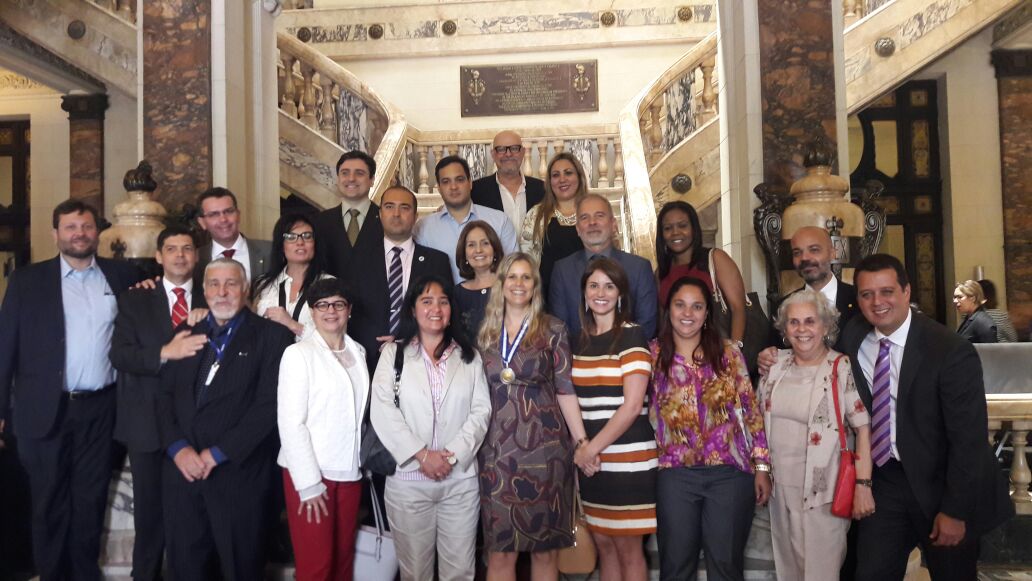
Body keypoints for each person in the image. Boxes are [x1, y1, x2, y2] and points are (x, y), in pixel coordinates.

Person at [841, 254, 1012, 581]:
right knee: (871, 573)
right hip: (886, 481)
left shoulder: (949, 350)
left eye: (887, 291)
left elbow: (968, 440)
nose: (877, 302)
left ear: (906, 292)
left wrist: (955, 510)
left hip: (943, 483)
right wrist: (773, 356)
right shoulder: (854, 336)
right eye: (866, 294)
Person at [0, 199, 141, 581]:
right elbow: (5, 347)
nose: (80, 234)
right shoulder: (27, 281)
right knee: (48, 502)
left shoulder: (122, 275)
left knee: (90, 499)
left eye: (86, 226)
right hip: (43, 409)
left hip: (101, 409)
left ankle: (84, 574)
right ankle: (52, 574)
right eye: (71, 227)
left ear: (97, 232)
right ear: (56, 234)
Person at [157, 258, 294, 580]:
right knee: (185, 569)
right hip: (183, 476)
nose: (222, 292)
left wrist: (217, 454)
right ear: (204, 291)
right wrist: (178, 448)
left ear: (245, 289)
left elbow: (268, 407)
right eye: (214, 284)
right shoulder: (186, 332)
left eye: (231, 284)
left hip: (238, 477)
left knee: (239, 569)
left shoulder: (273, 337)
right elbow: (163, 396)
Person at [478, 253, 594, 580]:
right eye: (512, 277)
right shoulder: (486, 332)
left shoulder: (553, 328)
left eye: (526, 277)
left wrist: (582, 442)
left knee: (545, 552)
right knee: (501, 552)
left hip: (546, 452)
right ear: (501, 283)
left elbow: (565, 389)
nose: (519, 283)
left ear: (535, 285)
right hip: (496, 454)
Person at [650, 276, 772, 581]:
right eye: (680, 305)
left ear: (707, 313)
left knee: (725, 566)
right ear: (669, 309)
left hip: (729, 474)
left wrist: (761, 466)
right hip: (675, 474)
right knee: (676, 567)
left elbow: (750, 410)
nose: (687, 313)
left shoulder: (728, 353)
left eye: (697, 306)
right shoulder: (652, 355)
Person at [371, 275, 491, 581]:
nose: (435, 309)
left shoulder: (469, 356)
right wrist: (423, 455)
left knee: (460, 572)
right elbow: (382, 409)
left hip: (459, 482)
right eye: (426, 301)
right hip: (409, 483)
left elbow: (481, 411)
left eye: (443, 301)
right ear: (413, 310)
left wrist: (450, 456)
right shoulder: (394, 354)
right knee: (415, 573)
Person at [110, 225, 208, 581]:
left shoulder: (213, 296)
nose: (180, 255)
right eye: (172, 249)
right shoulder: (134, 299)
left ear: (196, 255)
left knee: (192, 517)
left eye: (187, 248)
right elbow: (120, 355)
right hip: (146, 423)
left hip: (195, 426)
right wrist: (164, 352)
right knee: (149, 516)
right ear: (158, 256)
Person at [759, 290, 875, 581]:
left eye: (810, 321)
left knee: (820, 573)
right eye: (794, 322)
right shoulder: (775, 365)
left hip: (824, 491)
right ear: (784, 329)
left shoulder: (839, 367)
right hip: (778, 489)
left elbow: (862, 427)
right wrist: (760, 470)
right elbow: (755, 422)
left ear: (825, 326)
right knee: (788, 571)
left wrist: (863, 484)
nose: (802, 329)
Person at [277, 278, 369, 581]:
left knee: (343, 563)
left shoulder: (359, 352)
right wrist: (308, 484)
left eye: (338, 304)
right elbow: (291, 423)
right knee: (316, 567)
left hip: (350, 472)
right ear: (312, 312)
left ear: (349, 310)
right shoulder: (298, 355)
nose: (331, 311)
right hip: (311, 474)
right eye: (322, 305)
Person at [571, 257, 656, 581]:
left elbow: (632, 406)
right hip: (592, 463)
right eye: (594, 286)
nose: (601, 293)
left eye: (609, 286)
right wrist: (583, 448)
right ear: (584, 293)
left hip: (627, 461)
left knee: (628, 549)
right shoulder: (579, 340)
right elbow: (573, 401)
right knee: (604, 546)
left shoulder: (632, 335)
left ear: (620, 294)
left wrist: (589, 450)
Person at [347, 185, 453, 372]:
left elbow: (444, 312)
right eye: (389, 207)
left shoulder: (437, 261)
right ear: (380, 214)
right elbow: (352, 311)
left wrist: (407, 338)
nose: (396, 214)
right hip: (367, 361)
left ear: (415, 216)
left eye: (404, 208)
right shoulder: (357, 259)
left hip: (422, 360)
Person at [550, 193, 658, 338]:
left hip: (630, 351)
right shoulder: (562, 270)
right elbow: (559, 329)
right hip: (577, 352)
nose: (592, 222)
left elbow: (647, 326)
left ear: (613, 224)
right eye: (584, 217)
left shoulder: (639, 268)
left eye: (599, 215)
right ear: (577, 229)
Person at [414, 155, 517, 284]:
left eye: (459, 180)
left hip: (492, 296)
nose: (453, 187)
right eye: (446, 182)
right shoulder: (423, 228)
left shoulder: (499, 221)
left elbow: (513, 269)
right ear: (439, 188)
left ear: (470, 183)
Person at [655, 201, 747, 343]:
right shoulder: (661, 271)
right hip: (676, 352)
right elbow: (663, 321)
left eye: (682, 226)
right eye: (668, 228)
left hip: (717, 348)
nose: (675, 232)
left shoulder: (715, 259)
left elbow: (738, 308)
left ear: (694, 228)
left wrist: (735, 349)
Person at [252, 213, 333, 341]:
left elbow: (335, 339)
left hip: (312, 354)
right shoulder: (262, 284)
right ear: (281, 245)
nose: (300, 242)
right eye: (291, 237)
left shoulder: (330, 284)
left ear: (315, 244)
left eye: (307, 236)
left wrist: (292, 324)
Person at [520, 152, 587, 300]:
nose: (562, 179)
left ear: (579, 176)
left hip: (591, 296)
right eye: (556, 175)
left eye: (568, 173)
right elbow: (527, 263)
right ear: (549, 182)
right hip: (548, 298)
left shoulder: (593, 210)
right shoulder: (536, 215)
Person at [314, 150, 385, 279]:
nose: (351, 179)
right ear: (338, 179)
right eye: (345, 173)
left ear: (372, 180)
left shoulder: (386, 219)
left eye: (359, 173)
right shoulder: (321, 221)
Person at [471, 130, 546, 231]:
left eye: (514, 148)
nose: (508, 154)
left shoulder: (543, 189)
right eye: (501, 149)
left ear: (523, 152)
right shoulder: (476, 191)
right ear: (493, 154)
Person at [194, 186, 272, 282]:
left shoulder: (271, 251)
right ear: (202, 222)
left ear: (238, 215)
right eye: (214, 214)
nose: (223, 219)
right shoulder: (195, 259)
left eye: (228, 211)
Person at [452, 220, 505, 339]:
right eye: (471, 245)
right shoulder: (457, 293)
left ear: (495, 249)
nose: (479, 250)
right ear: (464, 253)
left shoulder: (510, 287)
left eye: (485, 243)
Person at [953, 280, 997, 344]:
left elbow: (989, 349)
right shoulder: (969, 317)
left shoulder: (983, 322)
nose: (955, 301)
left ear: (973, 298)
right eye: (954, 297)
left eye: (960, 297)